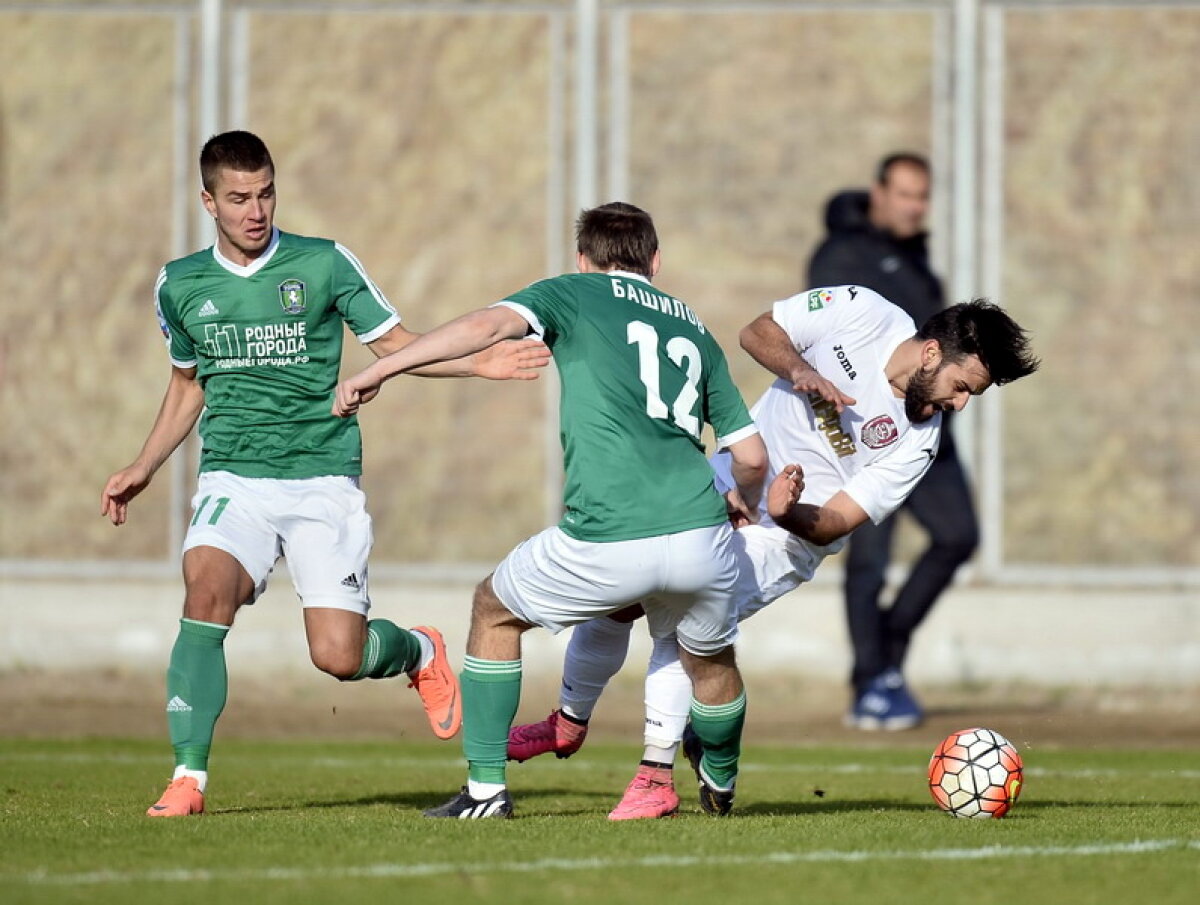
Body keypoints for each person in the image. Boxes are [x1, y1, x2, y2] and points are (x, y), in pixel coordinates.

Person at [100, 130, 550, 818]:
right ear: (207, 202)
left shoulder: (323, 263)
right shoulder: (180, 284)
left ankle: (415, 649)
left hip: (322, 479)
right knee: (205, 588)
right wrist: (144, 462)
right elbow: (188, 383)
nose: (256, 210)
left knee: (338, 655)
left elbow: (396, 345)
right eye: (239, 198)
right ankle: (188, 777)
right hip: (235, 478)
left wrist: (475, 362)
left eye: (266, 193)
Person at [507, 287, 1039, 820]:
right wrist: (800, 369)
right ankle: (570, 722)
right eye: (962, 386)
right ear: (930, 354)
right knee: (622, 592)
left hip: (785, 540)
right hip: (729, 477)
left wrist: (787, 513)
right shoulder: (864, 310)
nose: (960, 403)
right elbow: (756, 332)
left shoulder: (919, 441)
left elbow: (835, 522)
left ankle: (656, 777)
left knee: (682, 614)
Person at [332, 201, 770, 819]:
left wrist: (389, 365)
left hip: (611, 532)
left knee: (494, 609)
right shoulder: (695, 327)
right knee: (711, 660)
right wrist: (741, 505)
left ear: (583, 259)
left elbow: (487, 327)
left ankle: (485, 792)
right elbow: (750, 455)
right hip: (702, 532)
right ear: (656, 261)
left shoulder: (573, 291)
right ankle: (721, 781)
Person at [807, 152, 978, 729]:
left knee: (959, 536)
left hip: (931, 430)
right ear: (878, 192)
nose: (915, 206)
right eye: (905, 194)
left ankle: (888, 650)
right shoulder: (841, 255)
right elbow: (827, 340)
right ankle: (870, 683)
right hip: (870, 433)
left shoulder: (915, 256)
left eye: (923, 196)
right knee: (869, 560)